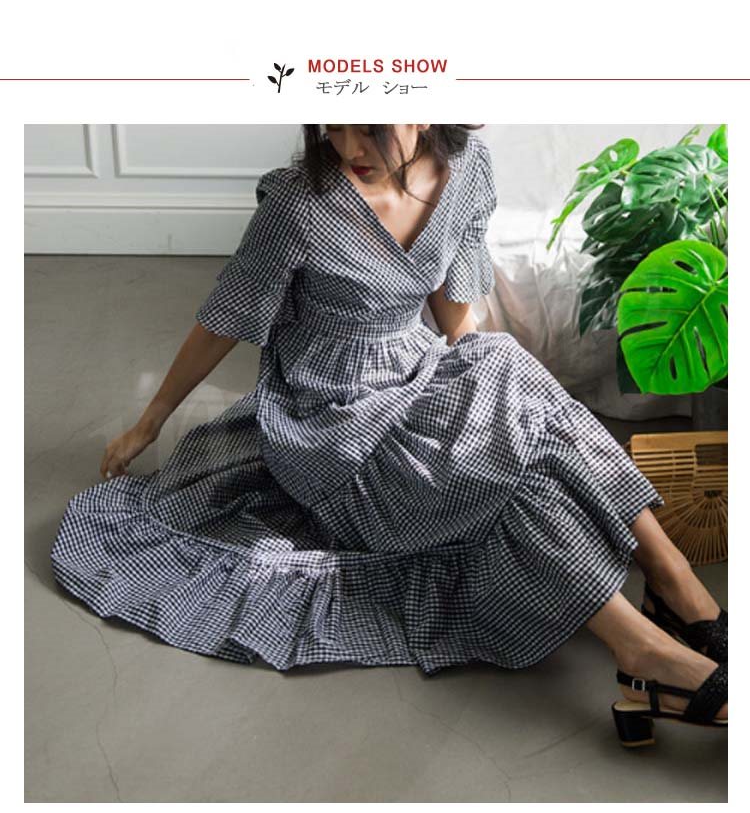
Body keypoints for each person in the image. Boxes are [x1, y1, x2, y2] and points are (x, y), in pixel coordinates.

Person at [50, 124, 727, 746]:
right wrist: (149, 421)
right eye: (333, 126)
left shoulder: (467, 168)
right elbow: (225, 317)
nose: (350, 146)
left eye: (371, 127)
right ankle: (646, 644)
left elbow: (456, 319)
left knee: (515, 385)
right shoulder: (299, 202)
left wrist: (490, 402)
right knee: (497, 476)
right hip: (327, 421)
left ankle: (674, 584)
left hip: (414, 369)